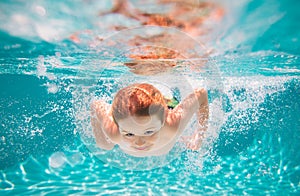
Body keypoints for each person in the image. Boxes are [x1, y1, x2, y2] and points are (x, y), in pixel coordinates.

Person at [91, 83, 209, 157]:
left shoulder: (173, 125)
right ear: (118, 126)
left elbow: (201, 94)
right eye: (129, 134)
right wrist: (101, 140)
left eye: (149, 132)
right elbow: (95, 105)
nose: (140, 142)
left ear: (163, 122)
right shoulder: (113, 132)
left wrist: (199, 136)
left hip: (167, 103)